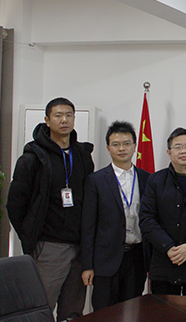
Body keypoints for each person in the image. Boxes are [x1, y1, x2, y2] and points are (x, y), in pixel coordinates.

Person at [7, 97, 95, 321]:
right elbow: (15, 204)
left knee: (73, 311)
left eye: (69, 115)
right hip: (49, 246)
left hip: (79, 246)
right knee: (43, 307)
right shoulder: (33, 158)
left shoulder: (82, 155)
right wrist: (32, 236)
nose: (64, 120)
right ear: (47, 120)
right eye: (58, 115)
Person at [80, 121, 150, 311]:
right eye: (116, 144)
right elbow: (88, 226)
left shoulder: (147, 178)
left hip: (137, 258)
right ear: (108, 148)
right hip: (105, 260)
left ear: (134, 146)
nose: (122, 149)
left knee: (133, 311)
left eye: (126, 143)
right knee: (104, 312)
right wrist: (87, 265)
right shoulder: (95, 180)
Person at [139, 127, 186, 297]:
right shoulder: (155, 180)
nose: (183, 151)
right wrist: (168, 247)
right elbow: (146, 218)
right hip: (164, 263)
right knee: (163, 311)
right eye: (178, 147)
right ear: (169, 152)